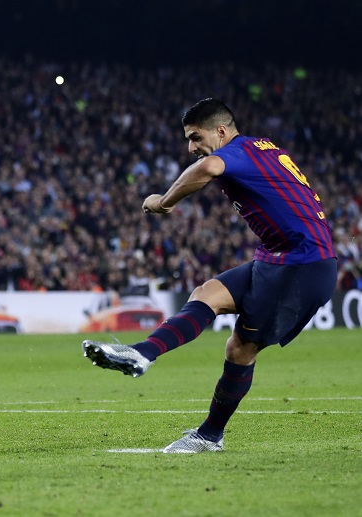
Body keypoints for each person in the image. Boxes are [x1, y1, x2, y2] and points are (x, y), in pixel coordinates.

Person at [82, 99, 336, 453]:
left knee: (241, 349)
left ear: (220, 131)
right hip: (279, 258)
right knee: (206, 294)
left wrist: (164, 201)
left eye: (195, 137)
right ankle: (142, 354)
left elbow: (208, 167)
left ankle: (209, 435)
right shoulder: (260, 147)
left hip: (301, 265)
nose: (191, 148)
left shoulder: (233, 152)